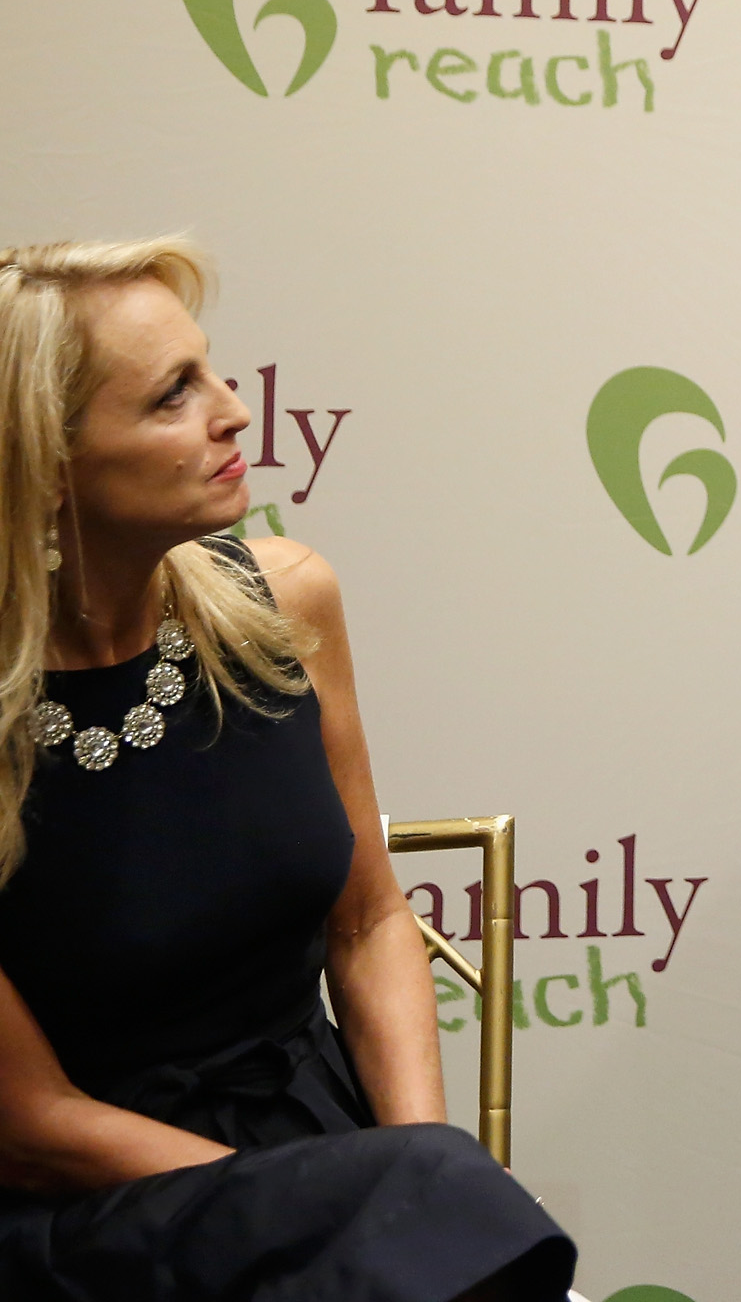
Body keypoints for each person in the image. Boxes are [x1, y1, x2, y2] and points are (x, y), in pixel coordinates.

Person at [0, 239, 574, 1300]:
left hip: (330, 1153)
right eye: (173, 394)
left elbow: (368, 921)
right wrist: (355, 1208)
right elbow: (34, 1126)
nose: (233, 410)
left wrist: (415, 1175)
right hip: (91, 1220)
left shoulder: (285, 602)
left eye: (212, 369)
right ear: (48, 461)